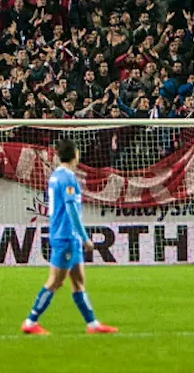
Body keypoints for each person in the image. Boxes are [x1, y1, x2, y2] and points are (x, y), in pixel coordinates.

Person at [21, 139, 118, 336]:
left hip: (65, 236)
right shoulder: (68, 178)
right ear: (75, 155)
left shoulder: (55, 176)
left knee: (78, 281)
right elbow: (72, 209)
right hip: (66, 236)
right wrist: (85, 237)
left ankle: (92, 324)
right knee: (55, 281)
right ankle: (31, 321)